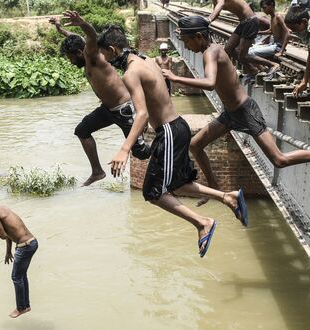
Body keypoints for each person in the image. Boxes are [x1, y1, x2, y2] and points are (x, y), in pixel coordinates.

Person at [163, 16, 310, 206]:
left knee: (279, 159)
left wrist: (176, 78)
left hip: (246, 112)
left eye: (187, 41)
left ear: (198, 36)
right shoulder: (211, 50)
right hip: (231, 114)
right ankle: (215, 187)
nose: (186, 46)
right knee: (195, 145)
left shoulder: (210, 53)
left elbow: (210, 83)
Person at [94, 22, 249, 258]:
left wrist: (124, 149)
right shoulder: (147, 60)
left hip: (168, 132)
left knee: (153, 192)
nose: (105, 62)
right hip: (177, 128)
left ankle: (202, 223)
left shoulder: (130, 73)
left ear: (113, 50)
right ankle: (228, 197)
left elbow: (143, 113)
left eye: (105, 56)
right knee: (176, 184)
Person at [50, 15, 150, 186]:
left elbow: (90, 36)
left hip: (124, 109)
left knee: (141, 153)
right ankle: (97, 171)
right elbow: (77, 38)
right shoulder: (84, 52)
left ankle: (167, 143)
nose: (70, 61)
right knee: (82, 130)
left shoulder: (92, 56)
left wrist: (83, 23)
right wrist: (60, 29)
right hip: (107, 110)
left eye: (70, 57)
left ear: (80, 53)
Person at [194, 0, 279, 75]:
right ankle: (253, 69)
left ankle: (272, 65)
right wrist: (205, 24)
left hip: (250, 21)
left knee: (242, 55)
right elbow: (216, 13)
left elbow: (220, 5)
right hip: (244, 22)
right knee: (228, 49)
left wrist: (208, 19)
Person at [249, 0, 290, 82]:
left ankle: (268, 67)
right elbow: (271, 31)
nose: (264, 10)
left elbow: (288, 33)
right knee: (249, 49)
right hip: (273, 45)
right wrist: (257, 33)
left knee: (250, 53)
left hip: (277, 47)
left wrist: (281, 52)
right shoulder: (272, 17)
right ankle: (263, 69)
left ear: (271, 5)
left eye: (265, 8)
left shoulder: (278, 16)